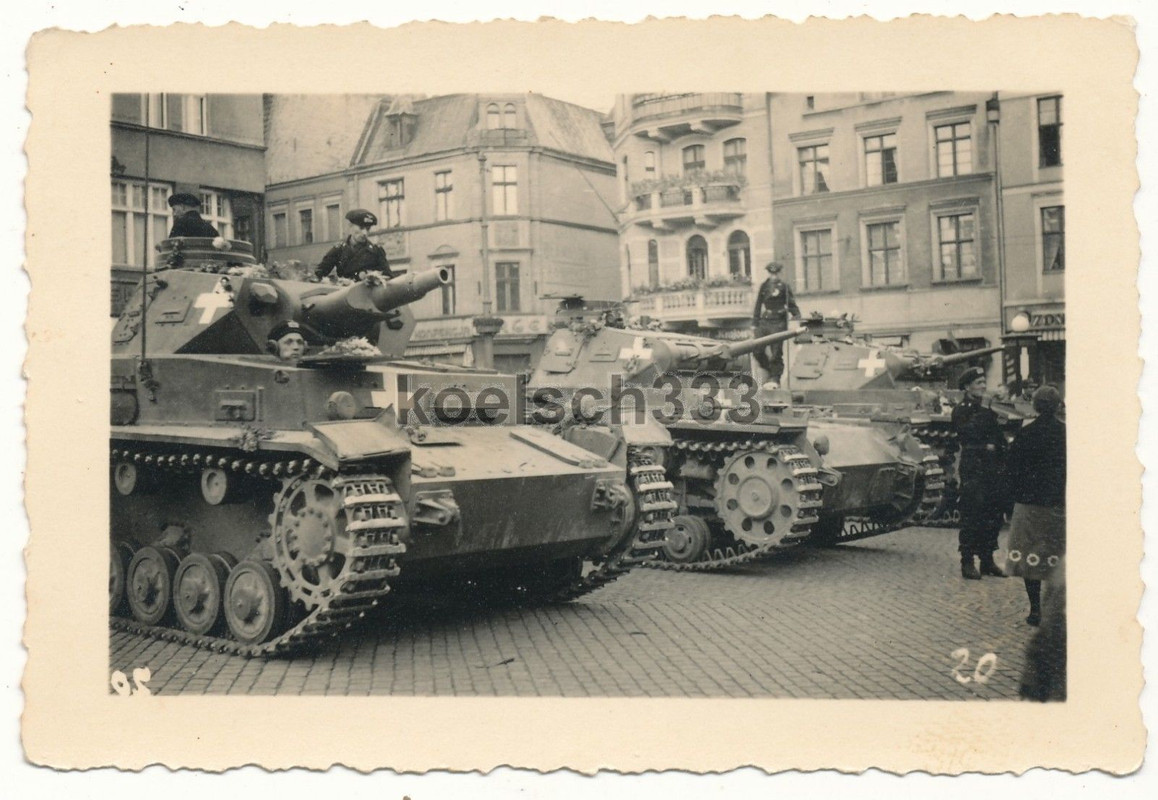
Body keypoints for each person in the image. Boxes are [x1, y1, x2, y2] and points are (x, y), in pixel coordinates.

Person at [1004, 385, 1066, 626]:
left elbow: (1012, 469)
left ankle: (1035, 610)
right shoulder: (1066, 433)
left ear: (1035, 406)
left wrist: (1013, 499)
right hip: (1057, 505)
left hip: (1029, 506)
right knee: (1055, 557)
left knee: (1031, 559)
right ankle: (1053, 610)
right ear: (1059, 405)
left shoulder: (1026, 433)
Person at [951, 366, 1008, 580]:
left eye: (984, 382)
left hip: (991, 466)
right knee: (972, 512)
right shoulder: (962, 409)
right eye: (978, 383)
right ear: (967, 387)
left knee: (993, 512)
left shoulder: (986, 409)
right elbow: (968, 433)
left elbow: (996, 434)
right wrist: (984, 410)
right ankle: (967, 561)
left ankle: (987, 560)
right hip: (973, 466)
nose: (983, 386)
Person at [750, 261, 801, 388]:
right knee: (756, 348)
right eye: (771, 273)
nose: (773, 276)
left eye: (775, 274)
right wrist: (755, 322)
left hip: (778, 321)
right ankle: (768, 369)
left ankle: (775, 377)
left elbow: (791, 303)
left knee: (776, 352)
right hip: (765, 320)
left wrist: (796, 316)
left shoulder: (783, 286)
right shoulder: (764, 286)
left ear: (779, 273)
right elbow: (758, 304)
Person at [316, 209, 394, 280]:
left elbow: (388, 276)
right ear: (350, 226)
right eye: (361, 228)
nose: (365, 233)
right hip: (345, 293)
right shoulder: (339, 250)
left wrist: (372, 276)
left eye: (368, 229)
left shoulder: (376, 251)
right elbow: (319, 273)